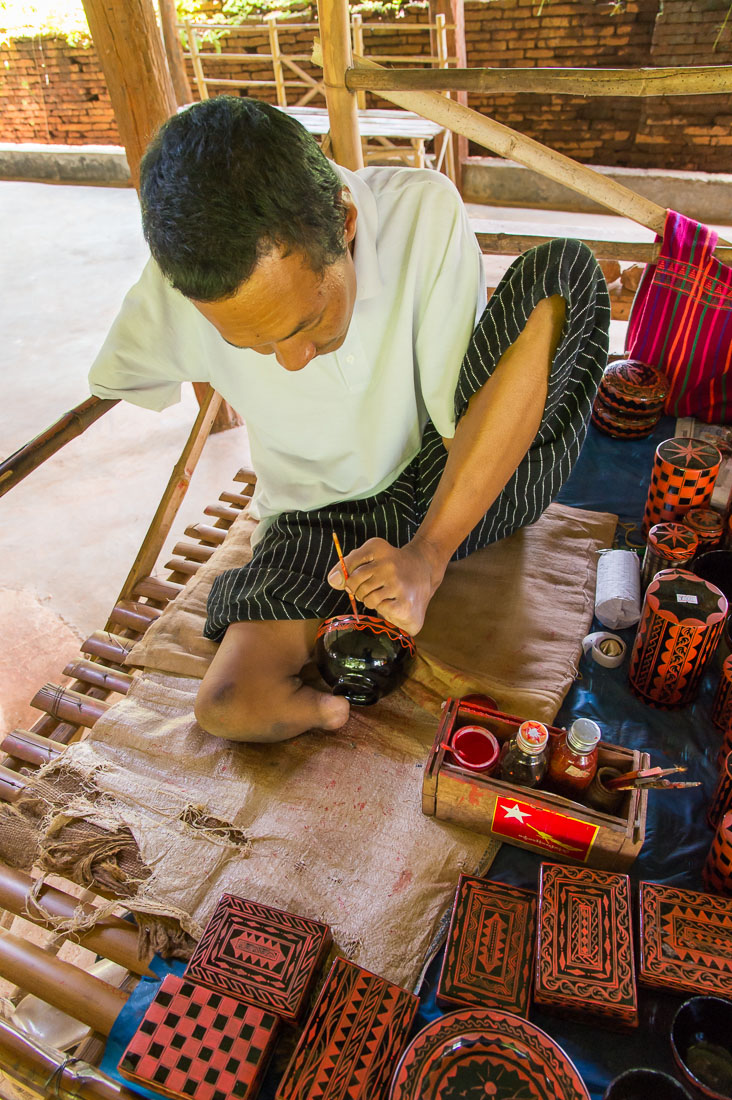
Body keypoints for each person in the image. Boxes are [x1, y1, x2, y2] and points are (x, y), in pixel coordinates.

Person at [89, 95, 610, 744]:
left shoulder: (421, 213)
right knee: (229, 700)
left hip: (445, 481)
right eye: (256, 344)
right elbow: (111, 377)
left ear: (345, 220)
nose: (292, 361)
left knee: (563, 276)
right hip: (316, 522)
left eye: (305, 324)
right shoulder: (176, 288)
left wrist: (425, 555)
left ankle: (428, 562)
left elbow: (463, 424)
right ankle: (332, 702)